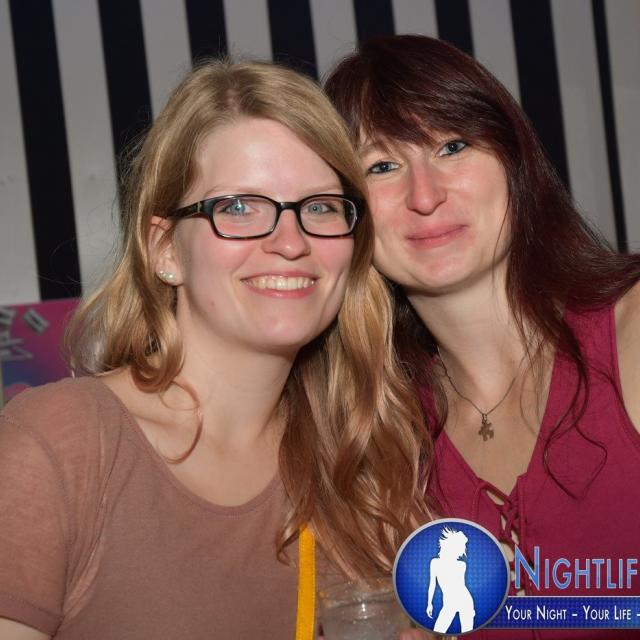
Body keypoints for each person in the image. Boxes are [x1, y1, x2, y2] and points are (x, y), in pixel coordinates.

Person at [0, 59, 432, 639]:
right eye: (238, 207)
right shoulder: (61, 444)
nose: (290, 241)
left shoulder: (360, 462)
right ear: (165, 250)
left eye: (320, 206)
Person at [326, 35, 640, 639]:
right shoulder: (378, 440)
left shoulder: (631, 333)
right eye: (382, 166)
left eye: (452, 146)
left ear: (514, 162)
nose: (425, 195)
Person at [426, 527, 474, 634]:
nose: (462, 551)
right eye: (461, 547)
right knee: (438, 630)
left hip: (465, 601)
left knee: (468, 634)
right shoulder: (435, 563)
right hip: (449, 603)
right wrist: (429, 603)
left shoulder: (462, 565)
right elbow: (432, 584)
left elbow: (460, 586)